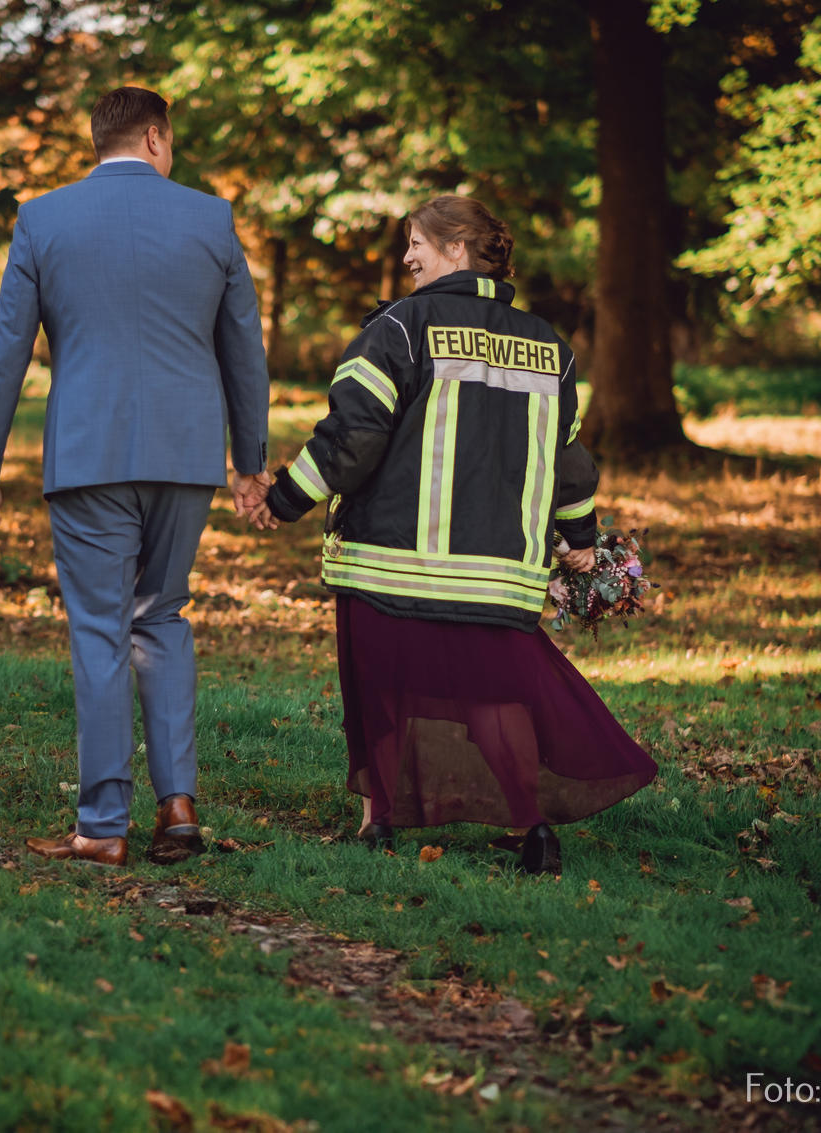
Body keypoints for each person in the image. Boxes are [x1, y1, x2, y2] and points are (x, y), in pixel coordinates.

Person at [249, 195, 656, 875]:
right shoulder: (548, 346)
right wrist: (580, 536)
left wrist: (285, 498)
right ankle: (532, 827)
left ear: (457, 248)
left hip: (389, 563)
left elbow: (354, 437)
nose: (407, 255)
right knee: (497, 699)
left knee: (380, 689)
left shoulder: (401, 329)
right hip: (497, 573)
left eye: (417, 242)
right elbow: (569, 459)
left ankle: (377, 820)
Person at [0, 86, 273, 868]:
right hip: (184, 453)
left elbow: (6, 351)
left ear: (99, 141)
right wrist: (250, 462)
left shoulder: (43, 219)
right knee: (161, 615)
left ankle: (103, 825)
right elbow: (244, 347)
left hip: (88, 453)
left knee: (102, 628)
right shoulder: (212, 218)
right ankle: (178, 805)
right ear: (157, 137)